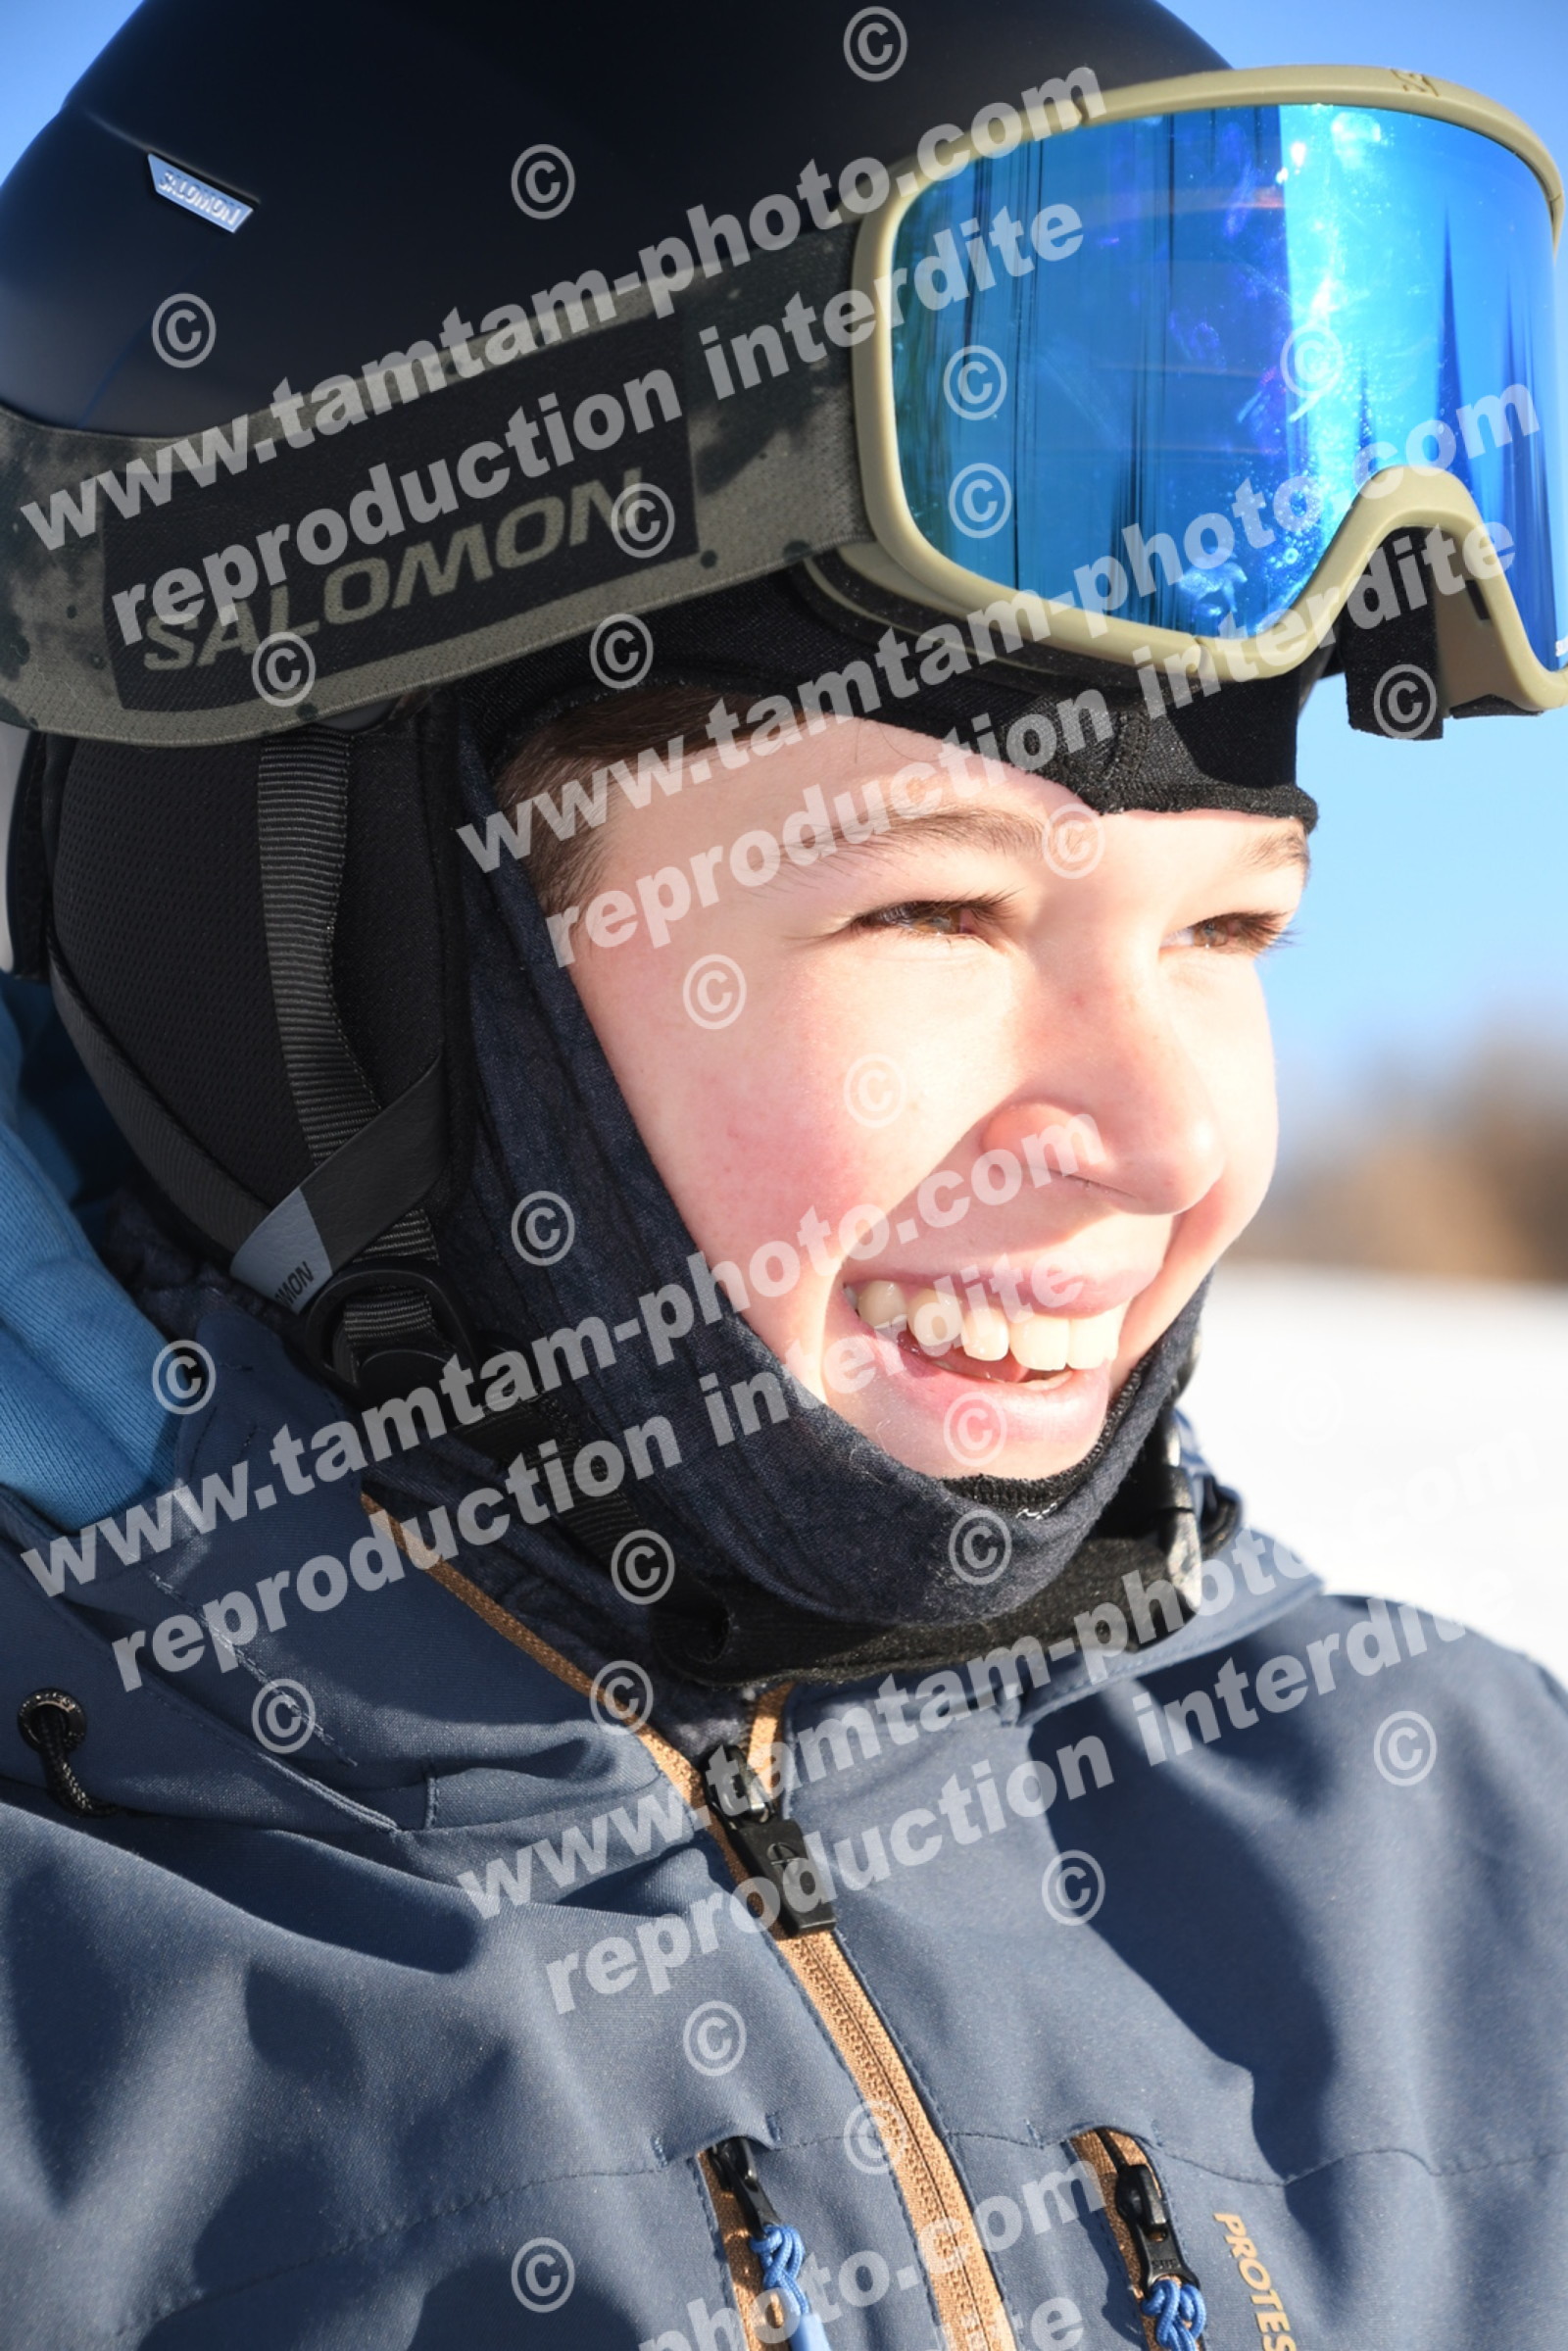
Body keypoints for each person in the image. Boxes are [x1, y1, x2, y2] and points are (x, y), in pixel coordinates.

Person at [0, 3, 1565, 2346]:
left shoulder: (1468, 1855)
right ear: (309, 951)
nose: (1168, 1141)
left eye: (1228, 931)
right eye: (934, 915)